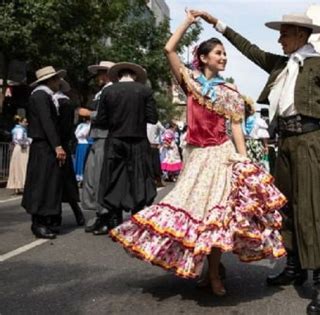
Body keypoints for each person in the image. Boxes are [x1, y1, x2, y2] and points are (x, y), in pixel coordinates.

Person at [109, 11, 287, 297]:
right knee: (197, 215)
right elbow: (169, 48)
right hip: (196, 157)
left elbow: (237, 127)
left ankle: (214, 273)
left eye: (225, 53)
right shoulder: (189, 81)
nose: (224, 57)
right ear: (203, 58)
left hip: (221, 155)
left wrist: (242, 159)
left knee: (220, 217)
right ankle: (208, 269)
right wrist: (189, 23)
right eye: (218, 53)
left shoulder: (230, 91)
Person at [196, 10, 320, 313]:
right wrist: (218, 24)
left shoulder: (319, 65)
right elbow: (249, 49)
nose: (279, 39)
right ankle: (294, 266)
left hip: (310, 141)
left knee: (315, 207)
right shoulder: (280, 65)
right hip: (285, 143)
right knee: (286, 206)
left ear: (300, 35)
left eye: (284, 34)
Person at [96, 62, 158, 230]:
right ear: (135, 75)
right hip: (138, 140)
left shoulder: (108, 91)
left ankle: (114, 218)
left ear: (118, 75)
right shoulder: (144, 91)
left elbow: (101, 121)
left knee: (115, 178)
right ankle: (136, 217)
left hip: (115, 139)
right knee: (138, 177)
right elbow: (152, 118)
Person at [22, 66, 67, 239]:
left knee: (49, 182)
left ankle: (46, 219)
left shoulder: (46, 96)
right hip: (43, 145)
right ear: (49, 81)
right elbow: (47, 121)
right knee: (41, 183)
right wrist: (57, 145)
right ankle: (38, 222)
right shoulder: (40, 96)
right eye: (56, 80)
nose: (58, 83)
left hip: (46, 145)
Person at [79, 61, 115, 235]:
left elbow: (108, 115)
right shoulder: (102, 92)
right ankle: (99, 215)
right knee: (92, 178)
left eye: (102, 72)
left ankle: (104, 216)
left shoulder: (110, 91)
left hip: (104, 137)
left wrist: (89, 114)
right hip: (98, 137)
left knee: (99, 178)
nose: (99, 76)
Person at [54, 79, 85, 228]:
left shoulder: (64, 103)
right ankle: (63, 214)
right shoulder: (51, 100)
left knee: (64, 180)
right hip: (57, 144)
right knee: (59, 182)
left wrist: (58, 143)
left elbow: (66, 128)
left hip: (61, 145)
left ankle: (75, 213)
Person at [242, 96, 270, 168]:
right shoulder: (258, 121)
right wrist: (266, 146)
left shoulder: (240, 122)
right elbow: (263, 135)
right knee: (258, 165)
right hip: (256, 144)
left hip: (244, 144)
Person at [6, 115, 31, 194]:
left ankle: (16, 187)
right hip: (21, 149)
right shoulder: (21, 130)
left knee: (16, 167)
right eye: (25, 122)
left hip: (17, 148)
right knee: (22, 167)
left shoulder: (15, 129)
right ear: (20, 122)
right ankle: (23, 185)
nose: (26, 124)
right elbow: (20, 140)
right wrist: (29, 141)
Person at [147, 121, 165, 187]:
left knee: (151, 164)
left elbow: (164, 130)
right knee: (155, 164)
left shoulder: (143, 120)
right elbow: (164, 130)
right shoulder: (156, 122)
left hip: (148, 146)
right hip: (153, 146)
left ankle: (156, 180)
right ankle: (157, 180)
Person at [74, 118, 91, 183]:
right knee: (79, 161)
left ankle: (82, 178)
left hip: (85, 144)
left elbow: (84, 133)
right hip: (80, 144)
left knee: (83, 160)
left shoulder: (89, 125)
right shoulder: (81, 125)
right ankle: (78, 177)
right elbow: (76, 134)